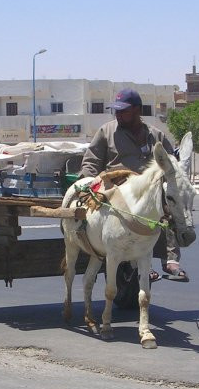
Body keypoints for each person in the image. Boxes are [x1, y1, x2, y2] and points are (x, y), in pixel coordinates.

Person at [80, 89, 188, 281]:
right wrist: (88, 182)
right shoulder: (107, 131)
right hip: (119, 190)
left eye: (124, 111)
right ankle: (140, 264)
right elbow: (91, 161)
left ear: (137, 110)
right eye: (117, 111)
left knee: (168, 209)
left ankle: (170, 260)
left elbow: (171, 165)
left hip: (150, 190)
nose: (118, 115)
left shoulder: (156, 136)